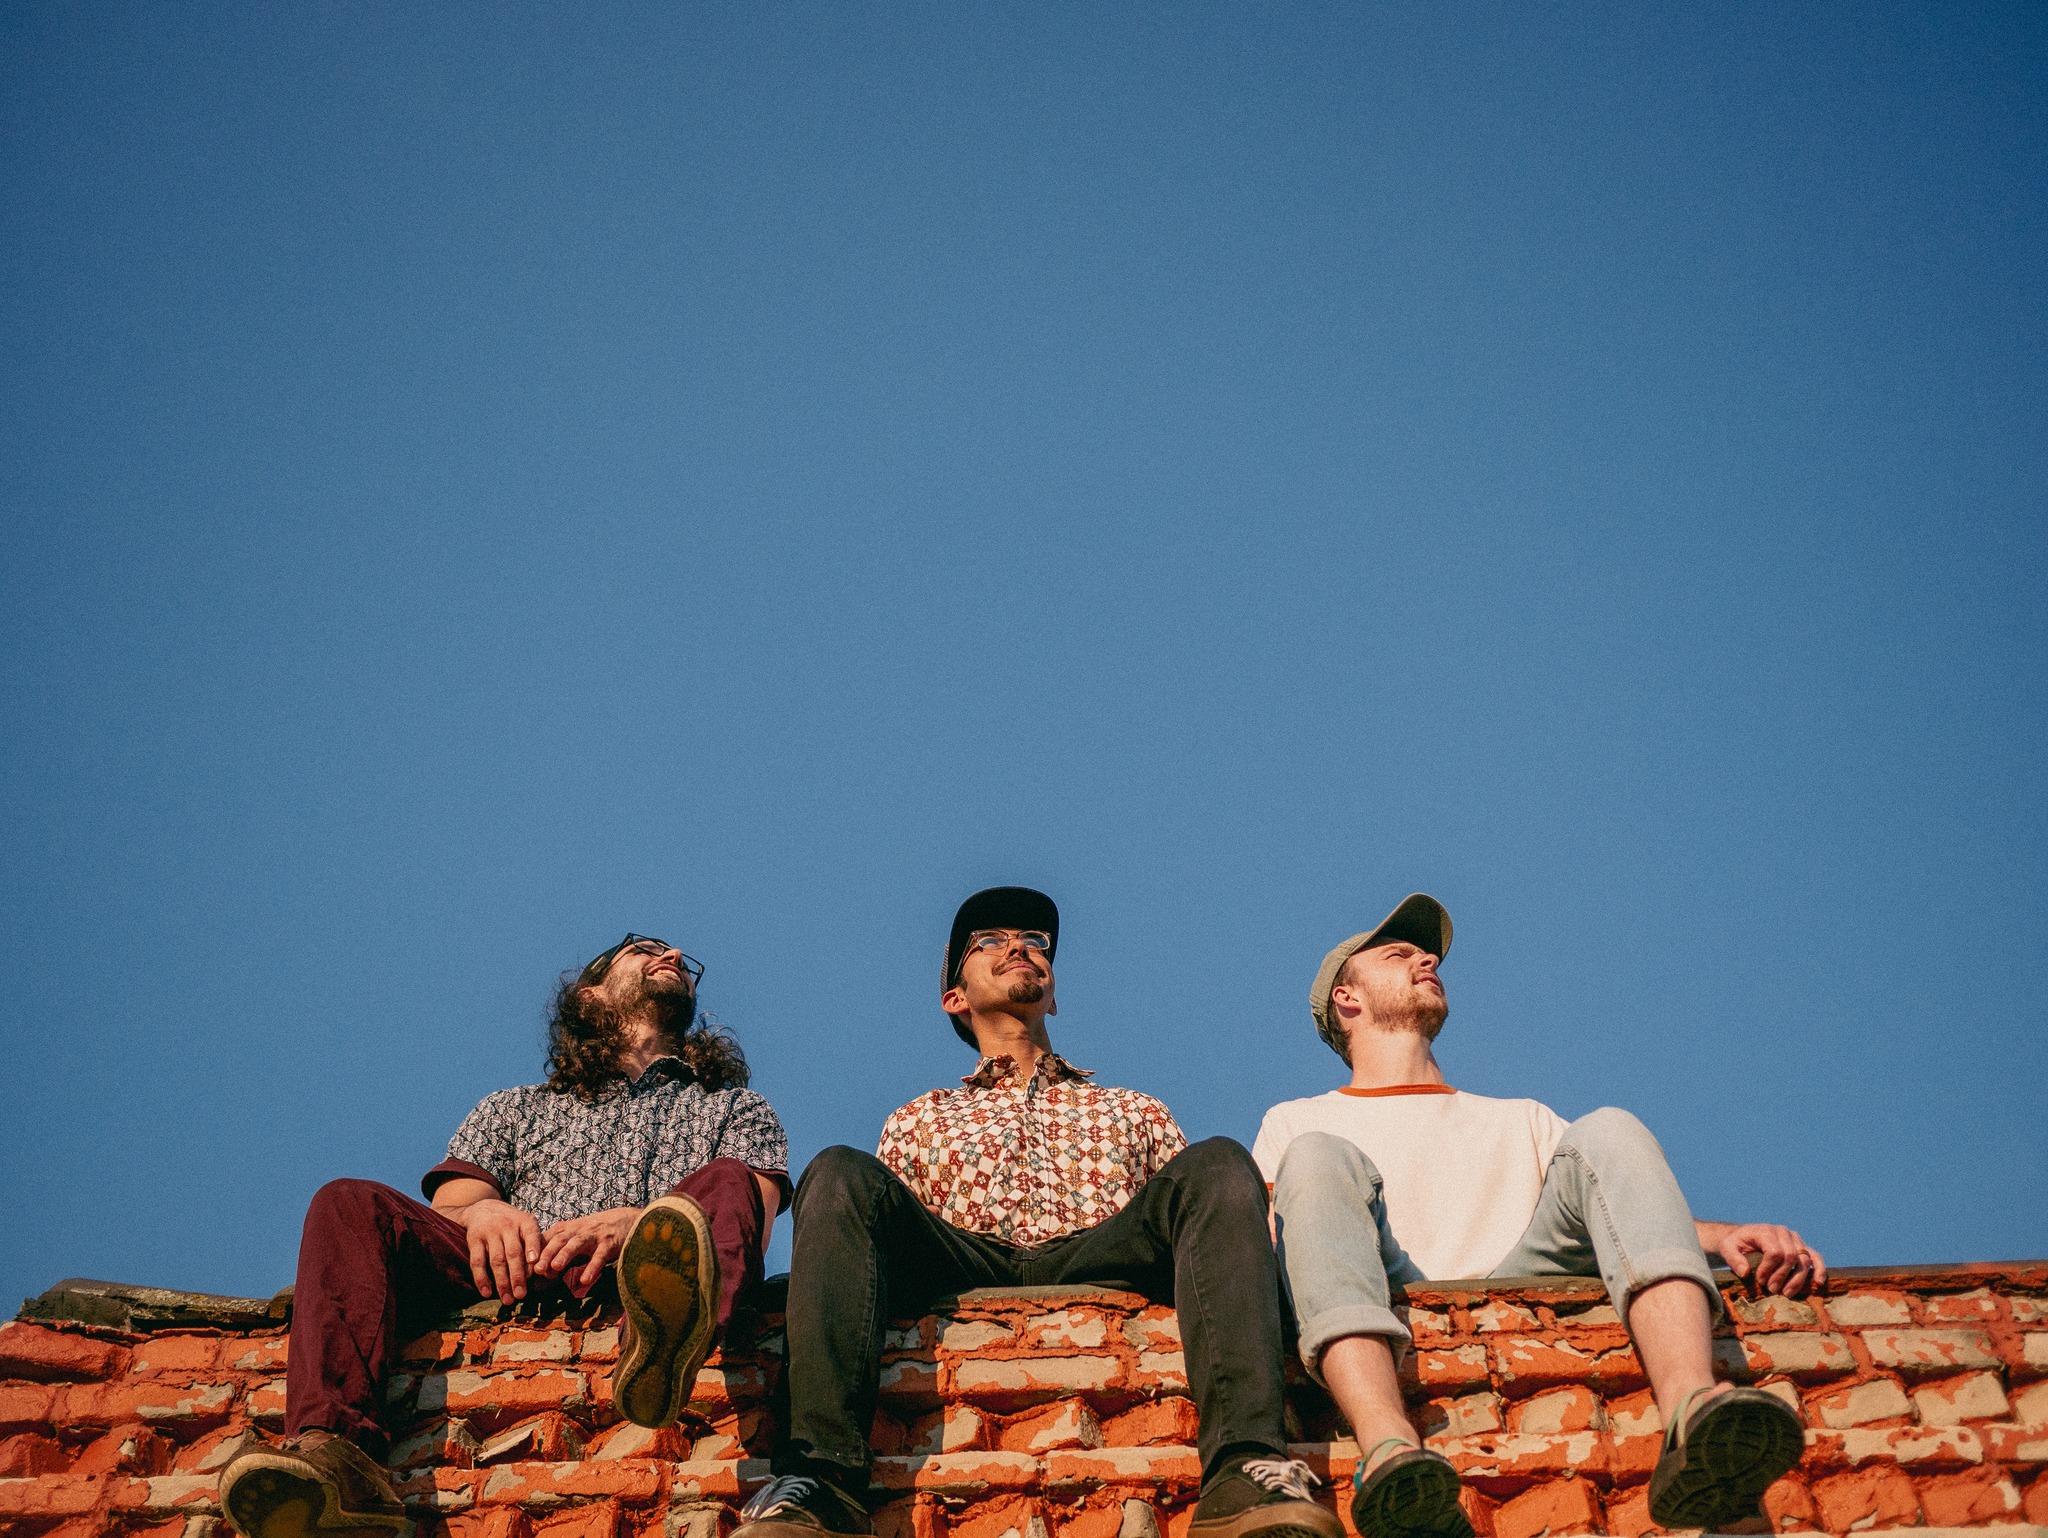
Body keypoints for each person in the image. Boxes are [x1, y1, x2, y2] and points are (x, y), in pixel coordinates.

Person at [733, 887, 1343, 1538]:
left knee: (1220, 1162)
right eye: (988, 941)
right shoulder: (917, 1119)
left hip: (1104, 1253)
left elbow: (1198, 1226)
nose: (1019, 946)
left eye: (1034, 942)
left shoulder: (1135, 1109)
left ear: (1053, 993)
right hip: (958, 1260)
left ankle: (1246, 1468)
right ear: (954, 998)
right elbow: (871, 1245)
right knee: (837, 1173)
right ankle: (821, 1482)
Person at [1253, 895, 1823, 1538]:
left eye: (1427, 952)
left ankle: (1691, 1411)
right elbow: (1282, 1247)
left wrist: (1723, 1238)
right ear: (1347, 1000)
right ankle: (1388, 1449)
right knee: (1315, 1157)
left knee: (1609, 1127)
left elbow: (1617, 1208)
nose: (1429, 958)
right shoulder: (1298, 1120)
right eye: (1398, 954)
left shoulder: (1522, 1117)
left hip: (1525, 1271)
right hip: (1383, 1292)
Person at [219, 933, 791, 1538]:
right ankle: (336, 1458)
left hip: (650, 1285)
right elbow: (452, 1203)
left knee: (728, 1182)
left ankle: (659, 1346)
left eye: (681, 958)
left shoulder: (736, 1108)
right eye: (644, 950)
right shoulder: (513, 1107)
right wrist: (486, 1213)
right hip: (518, 1271)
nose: (673, 959)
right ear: (590, 996)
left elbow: (748, 1222)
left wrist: (642, 1221)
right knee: (346, 1203)